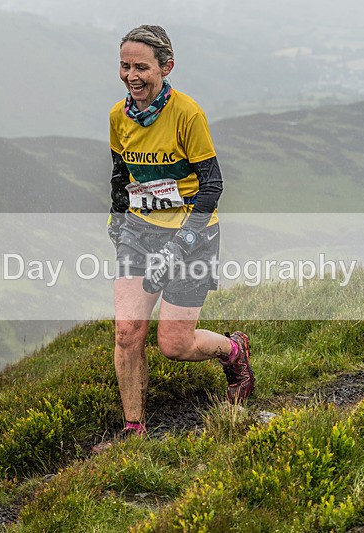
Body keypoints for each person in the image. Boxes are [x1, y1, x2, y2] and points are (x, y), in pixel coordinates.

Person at [107, 24, 254, 438]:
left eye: (141, 67)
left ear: (166, 67)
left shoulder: (187, 113)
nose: (131, 76)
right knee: (126, 331)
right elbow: (121, 175)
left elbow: (213, 185)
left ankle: (234, 350)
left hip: (193, 233)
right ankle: (133, 429)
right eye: (124, 66)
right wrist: (118, 222)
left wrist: (181, 243)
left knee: (174, 344)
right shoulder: (118, 116)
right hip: (140, 229)